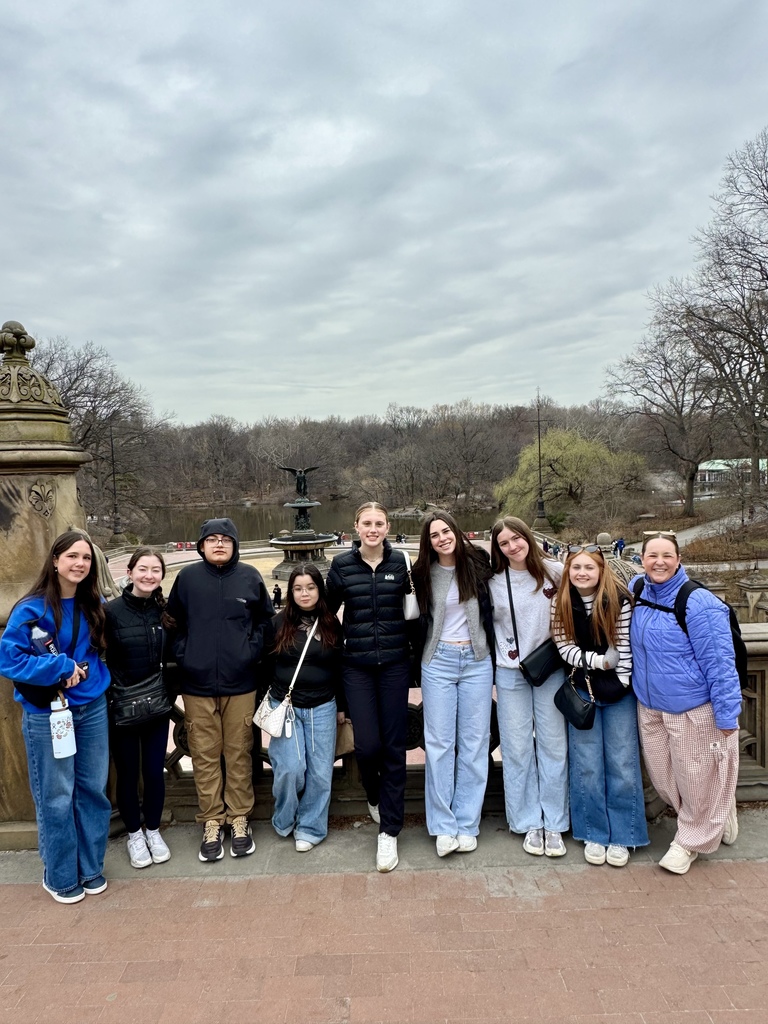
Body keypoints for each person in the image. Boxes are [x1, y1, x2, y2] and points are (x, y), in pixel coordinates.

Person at [0, 531, 111, 904]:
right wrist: (60, 666)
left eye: (87, 558)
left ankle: (91, 867)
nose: (80, 563)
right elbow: (8, 660)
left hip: (92, 707)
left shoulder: (94, 603)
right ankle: (61, 876)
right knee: (56, 796)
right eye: (73, 556)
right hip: (48, 713)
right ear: (55, 560)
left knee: (92, 790)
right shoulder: (30, 610)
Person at [630, 532, 741, 875]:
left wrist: (727, 715)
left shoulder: (698, 602)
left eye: (667, 555)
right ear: (642, 560)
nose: (659, 562)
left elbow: (721, 664)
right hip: (650, 706)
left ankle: (689, 842)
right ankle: (717, 810)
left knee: (694, 778)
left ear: (678, 560)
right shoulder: (637, 589)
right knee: (664, 779)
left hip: (692, 709)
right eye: (652, 555)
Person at [167, 518, 273, 862]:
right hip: (196, 684)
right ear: (201, 546)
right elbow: (172, 622)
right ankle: (212, 819)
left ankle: (239, 817)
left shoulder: (250, 577)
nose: (218, 544)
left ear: (234, 545)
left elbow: (265, 621)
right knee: (204, 754)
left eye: (225, 539)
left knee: (239, 752)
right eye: (211, 539)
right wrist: (185, 655)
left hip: (240, 682)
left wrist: (249, 652)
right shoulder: (187, 578)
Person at [326, 502, 411, 872]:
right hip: (356, 666)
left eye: (379, 523)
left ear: (388, 527)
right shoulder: (342, 566)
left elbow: (416, 610)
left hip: (394, 664)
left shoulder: (401, 563)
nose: (373, 529)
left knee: (394, 747)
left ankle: (389, 831)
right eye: (367, 523)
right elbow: (326, 614)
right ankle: (373, 794)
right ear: (356, 527)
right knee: (367, 746)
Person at [551, 545, 649, 867]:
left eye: (589, 568)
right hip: (582, 688)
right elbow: (563, 647)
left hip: (620, 688)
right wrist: (598, 662)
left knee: (622, 762)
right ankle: (593, 831)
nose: (582, 573)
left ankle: (624, 834)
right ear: (568, 571)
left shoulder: (619, 600)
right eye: (576, 567)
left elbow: (624, 649)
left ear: (601, 570)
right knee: (587, 763)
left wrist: (619, 682)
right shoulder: (561, 601)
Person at [412, 512, 494, 857]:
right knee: (440, 744)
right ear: (428, 542)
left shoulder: (479, 564)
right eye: (434, 535)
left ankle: (467, 821)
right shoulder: (423, 573)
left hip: (477, 660)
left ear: (457, 532)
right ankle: (444, 826)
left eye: (446, 531)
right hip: (438, 661)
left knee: (474, 743)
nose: (442, 538)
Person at [489, 517, 568, 857]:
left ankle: (555, 821)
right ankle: (527, 821)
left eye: (516, 538)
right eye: (504, 543)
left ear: (527, 537)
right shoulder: (493, 580)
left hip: (549, 667)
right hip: (510, 672)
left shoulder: (555, 572)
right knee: (517, 747)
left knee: (553, 745)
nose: (512, 546)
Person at [260, 564, 345, 850]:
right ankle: (284, 817)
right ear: (290, 592)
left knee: (320, 772)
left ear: (319, 590)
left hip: (323, 705)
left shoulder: (331, 623)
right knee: (290, 768)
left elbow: (340, 668)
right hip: (286, 706)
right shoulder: (277, 623)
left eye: (310, 587)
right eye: (298, 588)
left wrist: (342, 707)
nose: (304, 593)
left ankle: (311, 827)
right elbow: (265, 664)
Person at [104, 547, 172, 869]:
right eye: (142, 569)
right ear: (129, 573)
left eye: (155, 570)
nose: (149, 575)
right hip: (122, 705)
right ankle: (134, 834)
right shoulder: (110, 612)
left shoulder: (165, 612)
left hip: (157, 703)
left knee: (154, 771)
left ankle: (153, 830)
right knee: (128, 773)